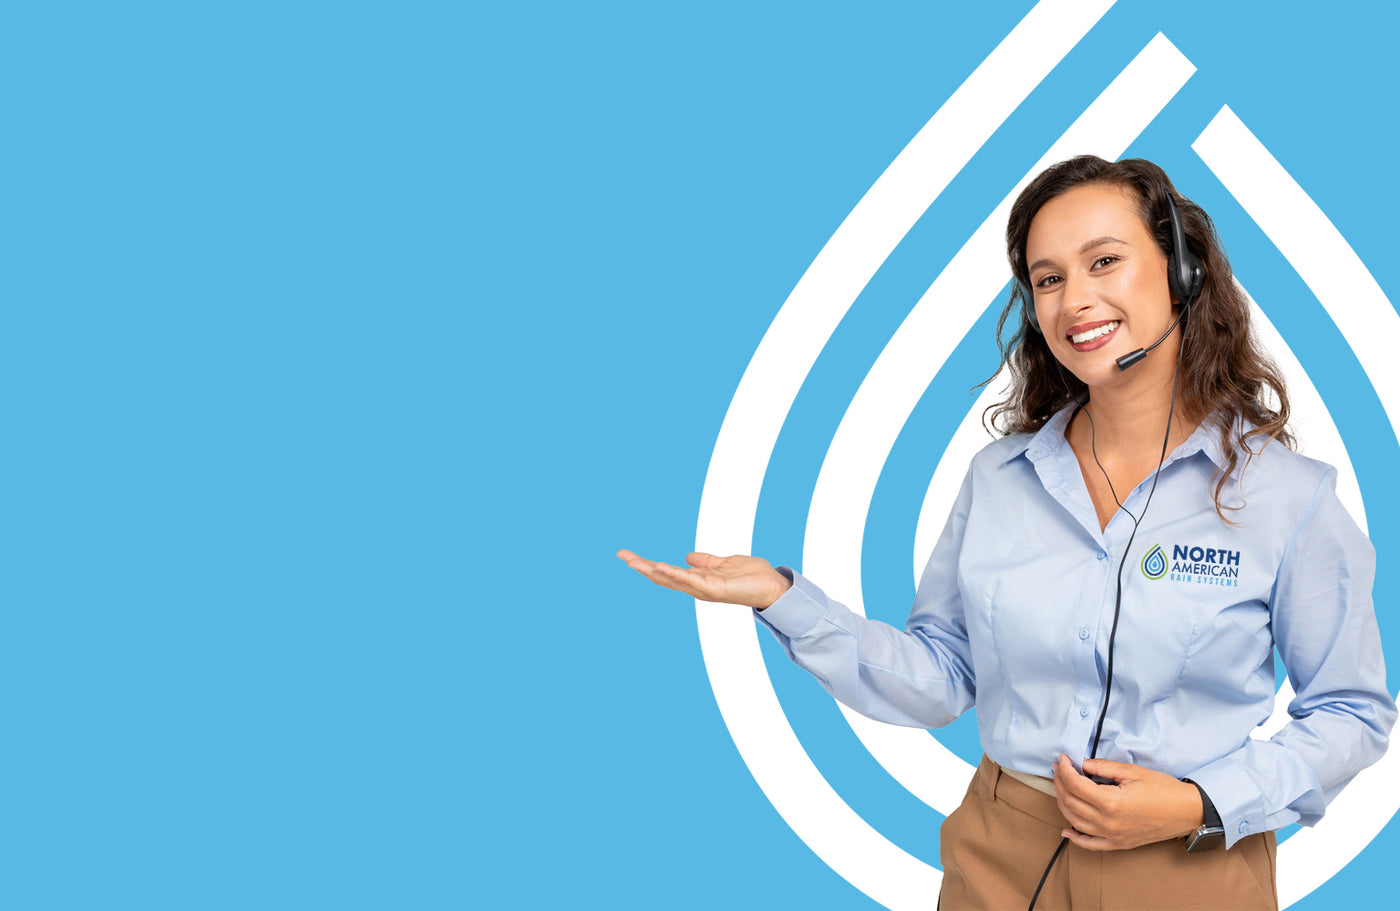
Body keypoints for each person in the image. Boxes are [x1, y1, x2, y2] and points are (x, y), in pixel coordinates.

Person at [618, 156, 1395, 910]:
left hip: (1190, 864)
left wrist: (1198, 802)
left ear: (1181, 273)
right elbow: (939, 674)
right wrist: (785, 598)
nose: (1073, 300)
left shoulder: (1287, 497)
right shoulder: (999, 478)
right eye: (1048, 278)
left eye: (1104, 261)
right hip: (1001, 856)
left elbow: (1352, 713)